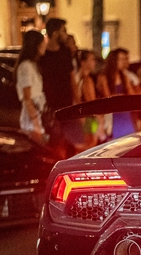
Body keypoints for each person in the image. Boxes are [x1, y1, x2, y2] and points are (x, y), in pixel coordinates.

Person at [39, 18, 80, 156]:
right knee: (56, 139)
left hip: (67, 103)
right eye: (63, 31)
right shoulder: (43, 57)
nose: (66, 34)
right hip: (52, 105)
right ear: (56, 33)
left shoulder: (65, 52)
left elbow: (71, 77)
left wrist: (77, 99)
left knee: (71, 138)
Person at [96, 48, 140, 139]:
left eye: (125, 59)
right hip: (113, 115)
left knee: (129, 140)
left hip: (125, 114)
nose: (124, 62)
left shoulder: (124, 76)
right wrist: (123, 97)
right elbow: (107, 97)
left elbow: (131, 94)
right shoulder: (103, 77)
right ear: (113, 61)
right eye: (121, 59)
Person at [15, 30, 48, 146]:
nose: (45, 45)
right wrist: (36, 123)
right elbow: (27, 97)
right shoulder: (26, 67)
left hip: (37, 114)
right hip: (32, 117)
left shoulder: (33, 65)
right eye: (43, 43)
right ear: (37, 45)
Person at [74, 50, 104, 150]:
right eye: (91, 59)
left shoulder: (76, 78)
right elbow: (91, 101)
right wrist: (99, 118)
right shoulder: (87, 80)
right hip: (89, 119)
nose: (94, 62)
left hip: (82, 117)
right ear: (83, 62)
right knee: (91, 144)